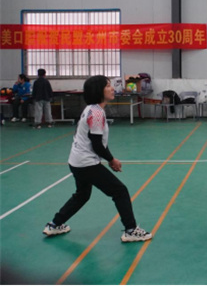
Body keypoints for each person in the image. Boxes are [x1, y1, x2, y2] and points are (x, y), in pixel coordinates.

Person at [43, 76, 152, 242]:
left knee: (82, 195)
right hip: (86, 163)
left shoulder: (91, 109)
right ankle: (131, 230)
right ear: (98, 91)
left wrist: (109, 158)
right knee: (120, 191)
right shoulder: (96, 113)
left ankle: (54, 224)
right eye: (108, 86)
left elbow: (97, 142)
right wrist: (112, 160)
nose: (112, 88)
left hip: (76, 161)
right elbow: (97, 145)